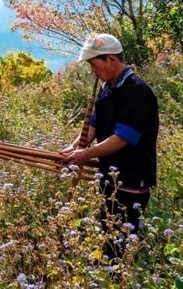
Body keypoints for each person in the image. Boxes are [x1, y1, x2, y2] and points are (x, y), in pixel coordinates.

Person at [61, 33, 159, 255]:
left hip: (131, 180)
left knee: (120, 245)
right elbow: (95, 123)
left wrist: (84, 155)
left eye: (94, 65)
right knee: (107, 234)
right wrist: (75, 146)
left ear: (112, 60)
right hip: (110, 178)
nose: (93, 71)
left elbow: (123, 137)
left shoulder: (137, 91)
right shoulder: (108, 88)